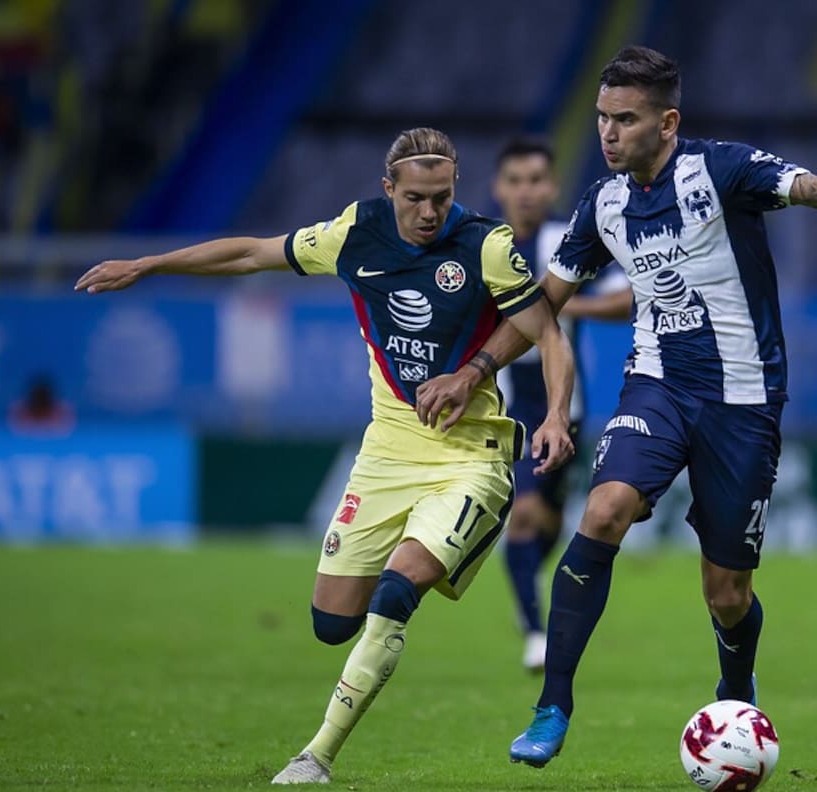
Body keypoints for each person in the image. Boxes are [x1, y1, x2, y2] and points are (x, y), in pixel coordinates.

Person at [413, 46, 817, 770]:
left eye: (625, 119)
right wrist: (475, 370)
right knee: (604, 509)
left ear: (667, 122)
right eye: (601, 118)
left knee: (728, 593)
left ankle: (736, 687)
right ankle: (552, 705)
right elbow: (543, 306)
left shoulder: (722, 170)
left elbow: (812, 186)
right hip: (656, 387)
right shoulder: (602, 204)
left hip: (743, 402)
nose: (608, 133)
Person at [74, 127, 577, 784]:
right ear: (388, 189)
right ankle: (360, 656)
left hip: (470, 458)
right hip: (387, 453)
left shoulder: (486, 243)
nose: (430, 213)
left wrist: (555, 413)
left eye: (442, 197)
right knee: (332, 622)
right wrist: (148, 265)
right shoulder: (352, 234)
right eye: (416, 199)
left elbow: (549, 333)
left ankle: (316, 756)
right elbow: (252, 254)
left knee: (399, 590)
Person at [490, 138, 632, 672]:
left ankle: (526, 596)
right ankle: (534, 631)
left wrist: (558, 306)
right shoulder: (487, 245)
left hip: (558, 405)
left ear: (551, 187)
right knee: (523, 517)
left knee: (544, 524)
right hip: (500, 409)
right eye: (516, 180)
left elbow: (630, 294)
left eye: (536, 181)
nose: (526, 192)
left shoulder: (566, 241)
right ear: (499, 188)